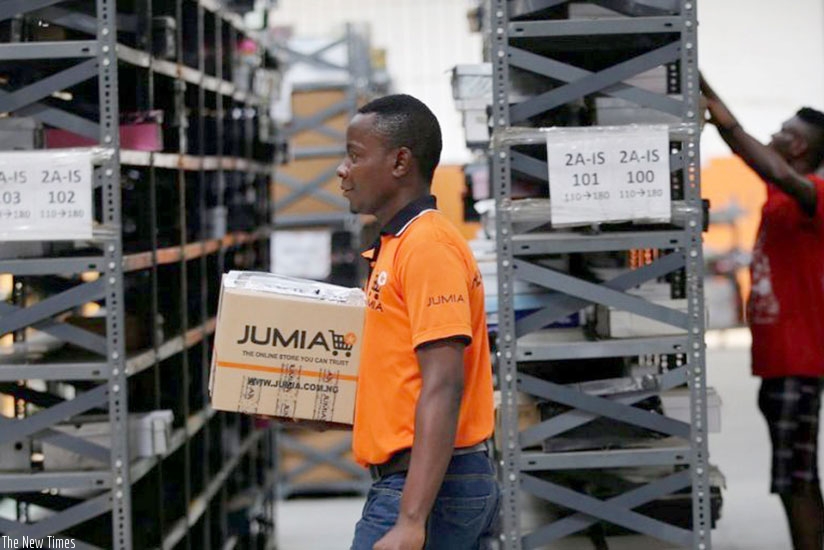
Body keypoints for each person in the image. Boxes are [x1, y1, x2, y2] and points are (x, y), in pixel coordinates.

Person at [335, 94, 499, 550]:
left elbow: (444, 384)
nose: (342, 171)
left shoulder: (427, 247)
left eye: (354, 155)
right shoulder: (397, 244)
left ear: (400, 162)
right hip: (422, 483)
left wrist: (410, 520)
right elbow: (403, 379)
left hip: (428, 487)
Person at [701, 76, 824, 550]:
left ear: (797, 146)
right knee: (797, 475)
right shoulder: (782, 197)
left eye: (781, 130)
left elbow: (771, 168)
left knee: (795, 478)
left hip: (800, 360)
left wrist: (726, 124)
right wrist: (702, 80)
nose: (772, 134)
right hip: (780, 361)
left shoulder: (811, 193)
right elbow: (765, 164)